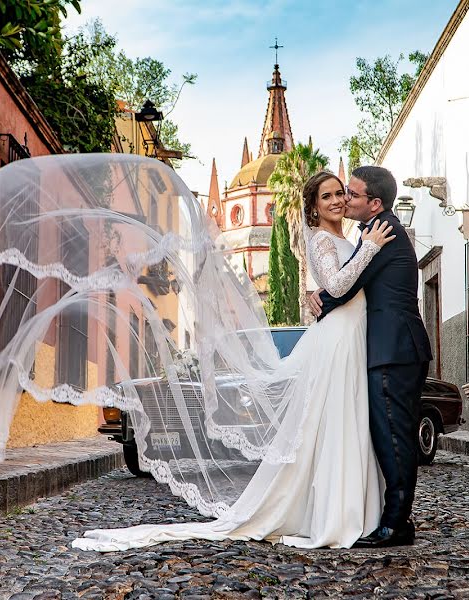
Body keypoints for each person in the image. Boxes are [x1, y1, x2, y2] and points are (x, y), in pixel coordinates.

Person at [72, 170, 395, 551]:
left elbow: (339, 286)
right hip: (339, 338)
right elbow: (340, 285)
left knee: (350, 422)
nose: (338, 200)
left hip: (354, 334)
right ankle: (336, 516)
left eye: (340, 193)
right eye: (327, 197)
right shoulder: (323, 239)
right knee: (337, 422)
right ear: (313, 208)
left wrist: (344, 266)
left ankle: (356, 511)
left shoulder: (350, 237)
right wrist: (370, 249)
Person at [309, 165, 433, 548]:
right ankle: (395, 518)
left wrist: (321, 300)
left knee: (394, 438)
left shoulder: (382, 232)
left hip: (393, 349)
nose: (345, 198)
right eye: (339, 192)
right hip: (387, 347)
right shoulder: (371, 232)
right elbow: (347, 281)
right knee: (386, 435)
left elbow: (346, 286)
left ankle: (395, 523)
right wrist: (316, 296)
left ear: (374, 203)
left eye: (352, 193)